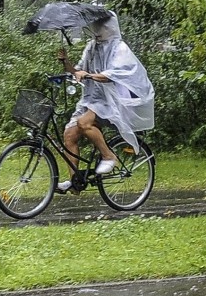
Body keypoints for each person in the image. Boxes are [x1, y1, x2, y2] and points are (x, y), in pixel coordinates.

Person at [55, 11, 155, 194]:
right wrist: (66, 63)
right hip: (91, 100)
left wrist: (90, 75)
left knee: (83, 123)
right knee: (69, 135)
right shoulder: (92, 47)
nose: (97, 29)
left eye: (101, 25)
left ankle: (109, 156)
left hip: (112, 101)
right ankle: (75, 181)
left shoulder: (120, 48)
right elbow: (79, 72)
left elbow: (114, 74)